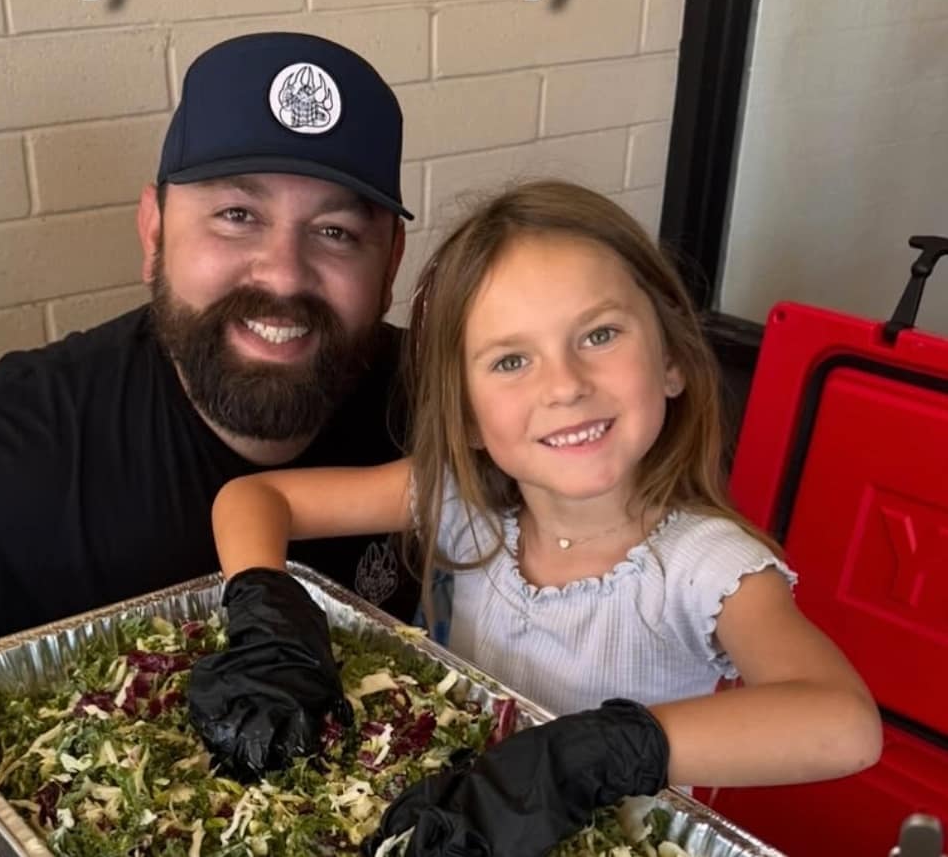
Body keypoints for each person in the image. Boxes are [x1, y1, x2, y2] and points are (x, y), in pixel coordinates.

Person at [0, 32, 420, 855]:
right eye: (237, 215)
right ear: (154, 230)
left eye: (337, 233)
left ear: (391, 261)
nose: (284, 273)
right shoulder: (13, 441)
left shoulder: (437, 399)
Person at [189, 180, 883, 855]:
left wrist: (593, 751)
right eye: (512, 359)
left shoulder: (705, 567)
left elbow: (844, 722)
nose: (564, 385)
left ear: (671, 358)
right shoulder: (459, 496)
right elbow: (254, 499)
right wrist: (266, 615)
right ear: (468, 415)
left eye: (600, 333)